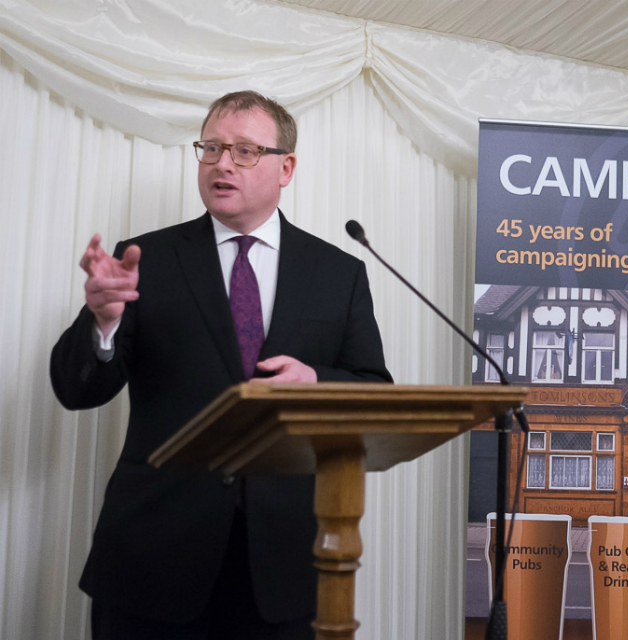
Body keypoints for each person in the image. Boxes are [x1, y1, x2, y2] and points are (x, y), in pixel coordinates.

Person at [50, 91, 392, 639]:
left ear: (287, 167)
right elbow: (75, 389)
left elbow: (374, 388)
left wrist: (316, 381)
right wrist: (103, 321)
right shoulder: (145, 259)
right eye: (210, 148)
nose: (222, 163)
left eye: (244, 151)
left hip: (283, 564)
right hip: (154, 556)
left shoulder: (339, 273)